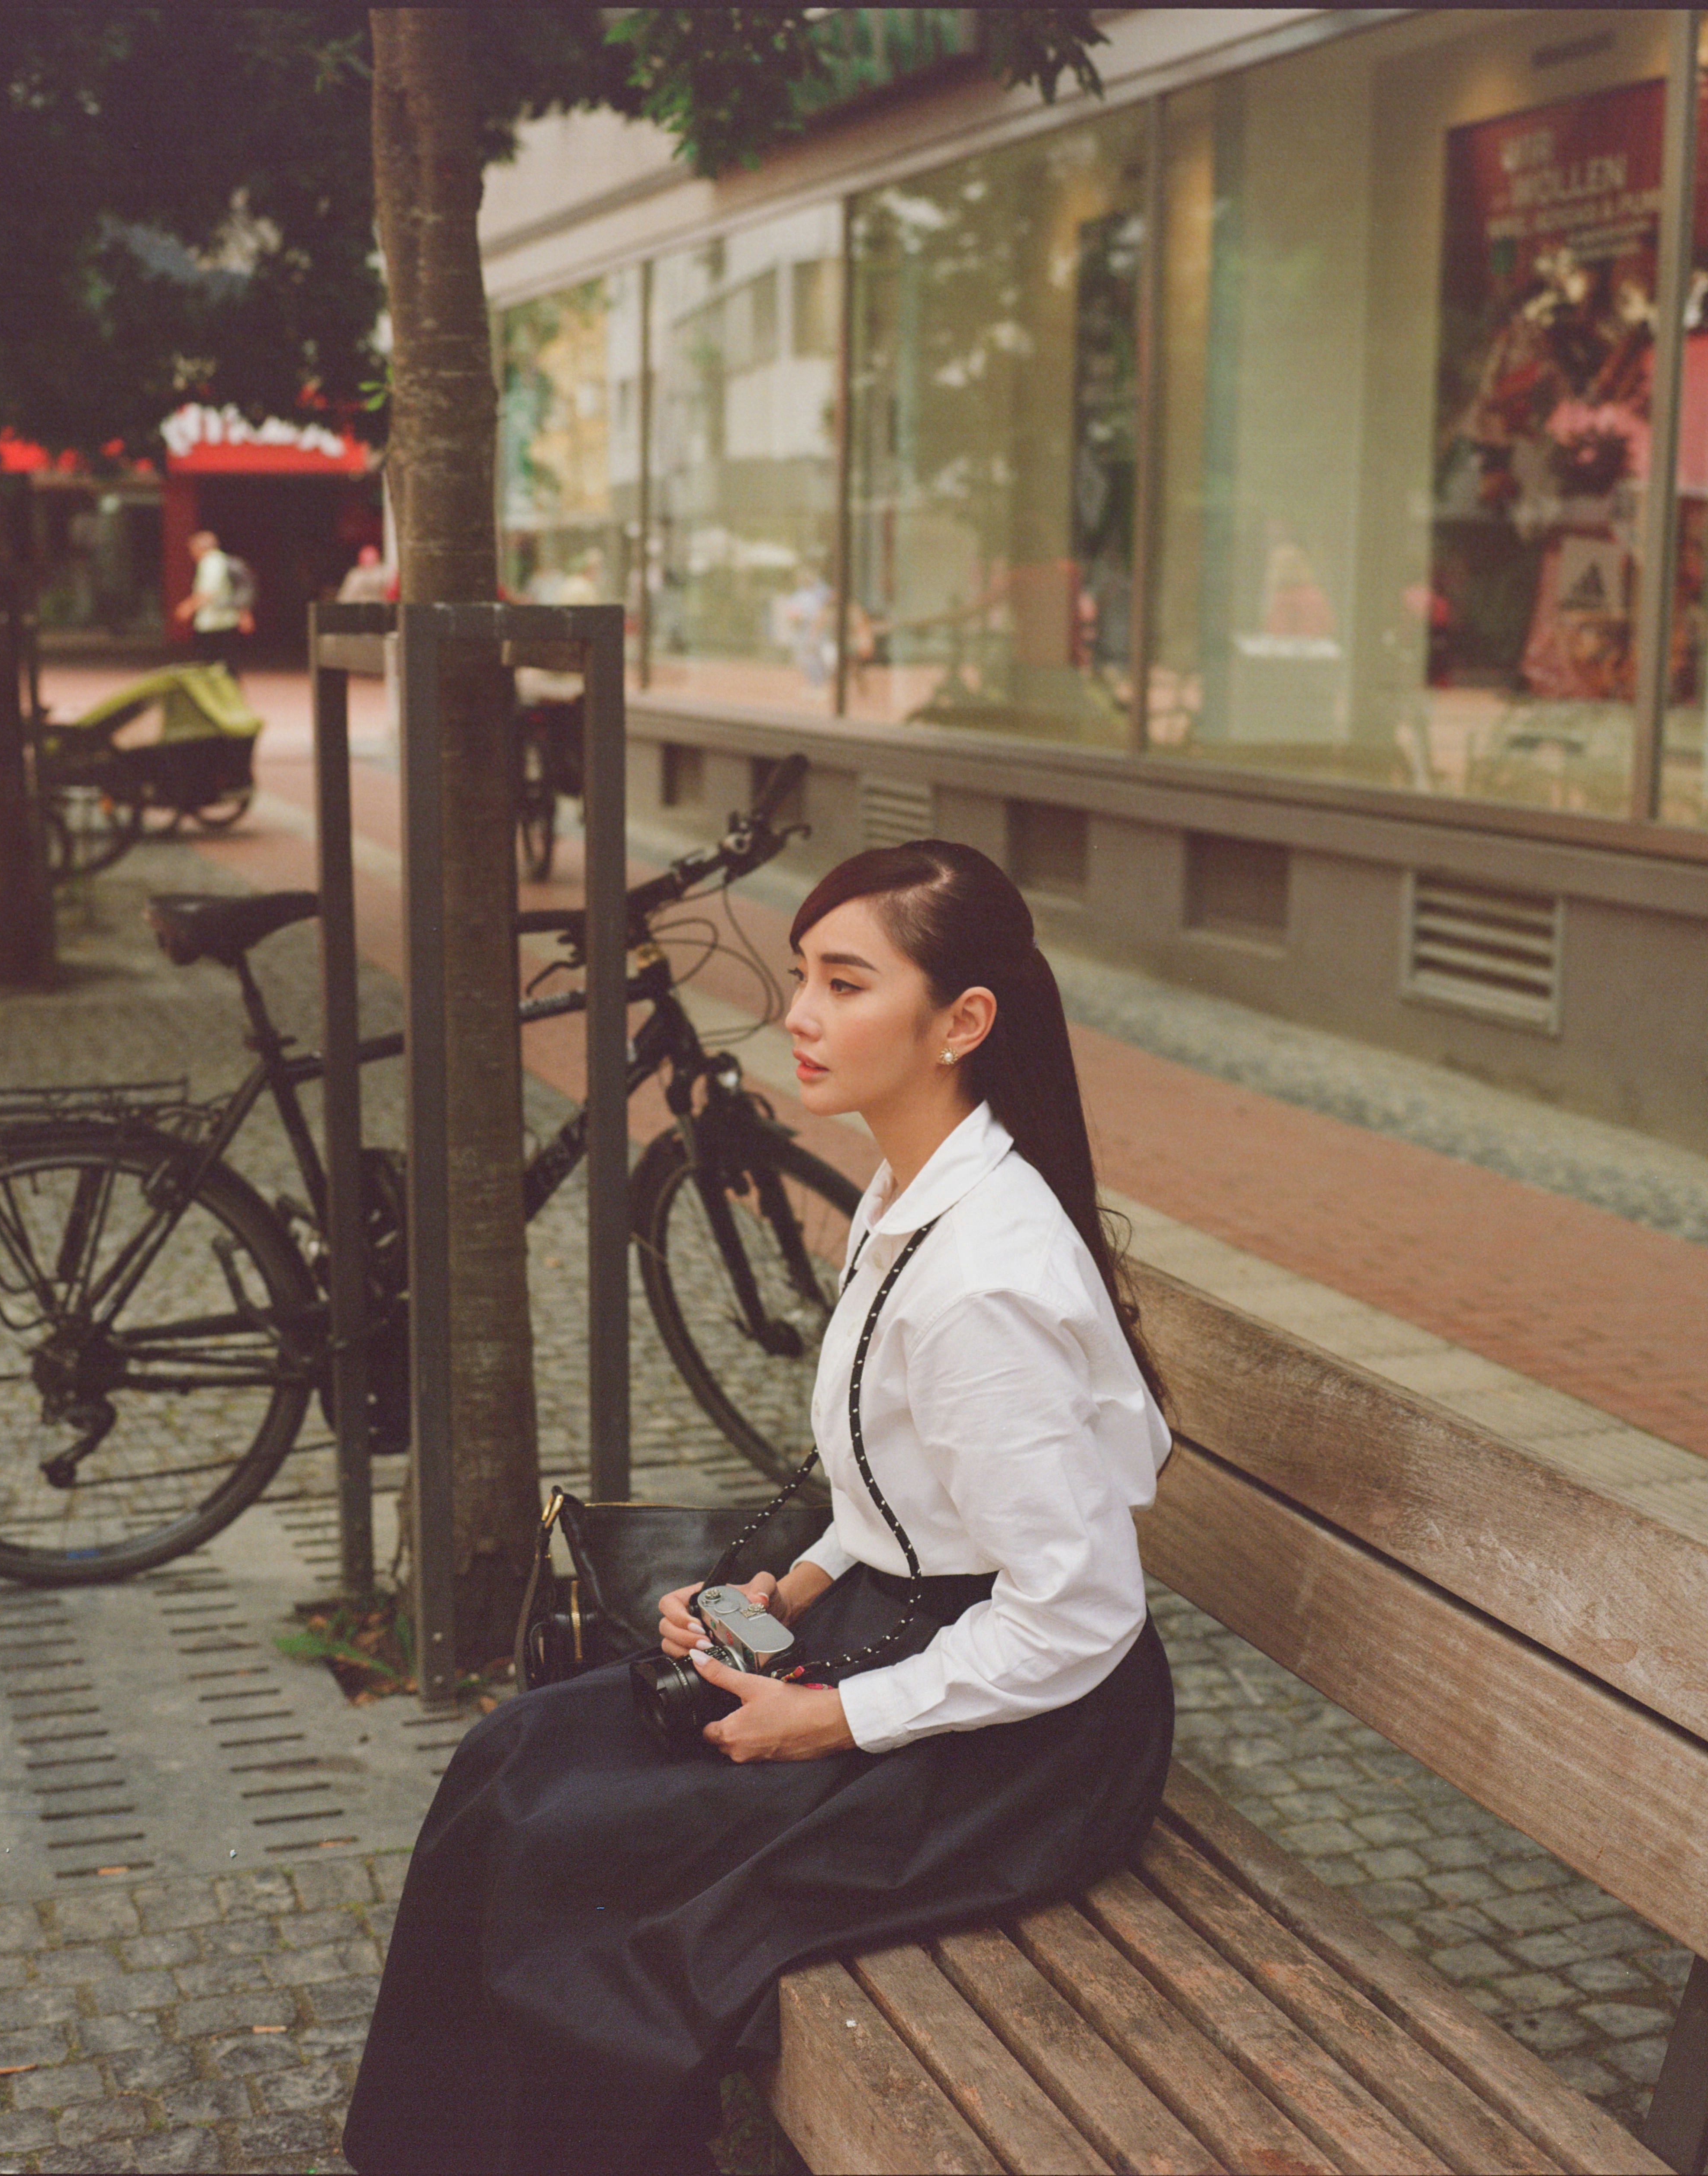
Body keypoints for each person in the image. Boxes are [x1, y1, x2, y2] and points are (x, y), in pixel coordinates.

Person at [345, 841, 1174, 2175]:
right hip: (895, 1633)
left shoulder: (985, 1282)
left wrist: (827, 1714)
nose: (797, 1012)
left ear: (962, 1021)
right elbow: (902, 1483)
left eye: (845, 982)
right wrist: (781, 1593)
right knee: (514, 1759)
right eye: (800, 975)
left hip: (1023, 1745)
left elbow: (1079, 1610)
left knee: (575, 1856)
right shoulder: (909, 1192)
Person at [170, 527, 252, 672]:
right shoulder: (221, 561)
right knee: (226, 663)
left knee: (211, 665)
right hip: (224, 620)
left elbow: (208, 592)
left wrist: (188, 607)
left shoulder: (211, 563)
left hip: (215, 622)